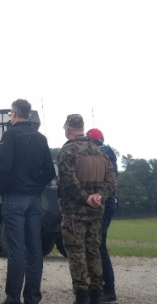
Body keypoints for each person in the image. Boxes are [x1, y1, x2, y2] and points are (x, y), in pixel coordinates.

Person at [0, 99, 56, 304]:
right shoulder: (40, 138)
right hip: (34, 198)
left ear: (14, 114)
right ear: (28, 115)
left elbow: (4, 168)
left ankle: (12, 298)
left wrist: (2, 190)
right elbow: (49, 170)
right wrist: (38, 187)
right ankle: (32, 296)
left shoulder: (10, 136)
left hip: (14, 196)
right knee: (34, 249)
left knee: (16, 250)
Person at [57, 114, 116, 304]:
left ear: (67, 129)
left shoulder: (68, 152)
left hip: (74, 213)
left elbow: (68, 181)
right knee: (93, 251)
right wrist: (100, 196)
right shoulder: (100, 152)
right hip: (96, 213)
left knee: (76, 253)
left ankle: (81, 296)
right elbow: (111, 180)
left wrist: (86, 198)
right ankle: (97, 294)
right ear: (82, 128)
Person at [86, 128, 119, 304]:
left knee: (99, 245)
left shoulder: (103, 155)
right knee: (96, 245)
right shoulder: (108, 153)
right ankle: (98, 286)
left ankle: (109, 289)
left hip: (104, 204)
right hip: (107, 203)